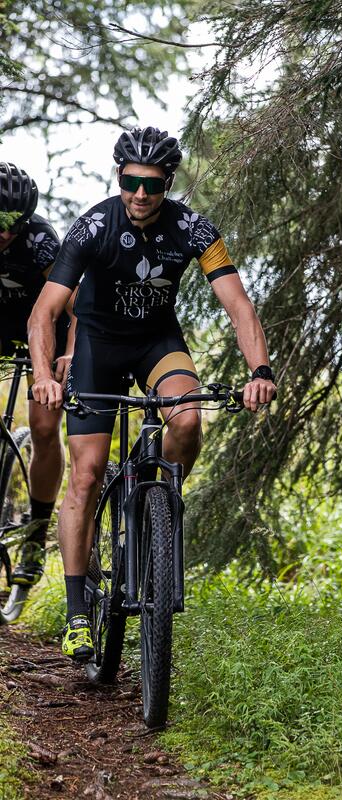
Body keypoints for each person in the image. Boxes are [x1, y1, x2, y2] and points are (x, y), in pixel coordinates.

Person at [28, 126, 277, 661]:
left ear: (169, 184)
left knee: (186, 421)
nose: (140, 194)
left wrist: (259, 369)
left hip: (157, 344)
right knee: (88, 474)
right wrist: (46, 375)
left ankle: (154, 501)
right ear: (119, 177)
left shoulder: (194, 230)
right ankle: (76, 612)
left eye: (153, 185)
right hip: (97, 348)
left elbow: (239, 306)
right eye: (131, 181)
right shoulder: (93, 225)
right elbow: (44, 313)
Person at [0, 162, 74, 585]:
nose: (7, 231)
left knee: (45, 428)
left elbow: (74, 307)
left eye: (16, 222)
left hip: (41, 327)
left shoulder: (41, 240)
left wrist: (67, 354)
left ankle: (35, 530)